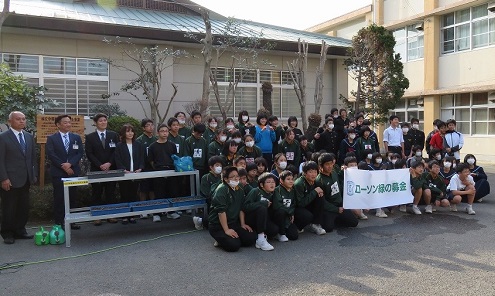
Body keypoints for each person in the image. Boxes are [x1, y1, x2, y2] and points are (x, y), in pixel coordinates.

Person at [0, 111, 37, 244]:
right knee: (9, 207)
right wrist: (3, 178)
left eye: (23, 119)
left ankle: (20, 230)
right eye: (18, 119)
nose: (22, 121)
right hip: (9, 179)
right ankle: (7, 233)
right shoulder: (3, 137)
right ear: (10, 121)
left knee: (23, 207)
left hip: (26, 178)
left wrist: (33, 175)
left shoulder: (28, 136)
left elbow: (32, 158)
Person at [46, 115, 84, 230]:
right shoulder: (52, 138)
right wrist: (64, 166)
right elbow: (51, 154)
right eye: (65, 122)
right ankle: (59, 222)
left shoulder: (76, 137)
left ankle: (72, 221)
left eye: (69, 122)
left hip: (73, 172)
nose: (68, 124)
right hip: (58, 173)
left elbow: (79, 153)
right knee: (59, 197)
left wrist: (70, 164)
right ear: (58, 124)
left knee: (72, 197)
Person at [208, 166, 257, 252]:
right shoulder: (222, 189)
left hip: (233, 222)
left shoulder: (240, 188)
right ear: (226, 179)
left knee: (251, 238)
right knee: (234, 246)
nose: (236, 178)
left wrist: (242, 224)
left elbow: (241, 207)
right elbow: (221, 212)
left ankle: (228, 238)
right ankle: (220, 239)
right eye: (232, 177)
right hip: (218, 225)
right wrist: (226, 230)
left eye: (237, 176)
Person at [85, 113, 119, 226]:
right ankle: (97, 216)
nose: (103, 122)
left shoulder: (113, 135)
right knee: (97, 192)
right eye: (100, 121)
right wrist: (100, 165)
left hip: (111, 168)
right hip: (97, 168)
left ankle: (111, 215)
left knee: (110, 192)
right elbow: (89, 154)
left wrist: (109, 163)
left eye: (105, 120)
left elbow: (116, 151)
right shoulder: (90, 137)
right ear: (95, 123)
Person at [316, 153, 358, 233]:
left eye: (331, 163)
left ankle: (337, 218)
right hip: (330, 208)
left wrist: (344, 171)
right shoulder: (319, 180)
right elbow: (322, 202)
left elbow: (339, 177)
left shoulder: (334, 172)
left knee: (354, 223)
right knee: (328, 228)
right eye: (327, 164)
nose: (330, 166)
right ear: (321, 166)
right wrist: (336, 209)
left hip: (340, 204)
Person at [148, 124, 180, 221]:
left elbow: (175, 158)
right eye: (162, 131)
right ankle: (157, 213)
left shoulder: (172, 145)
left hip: (171, 170)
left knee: (172, 191)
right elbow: (151, 161)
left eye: (166, 131)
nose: (165, 133)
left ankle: (171, 212)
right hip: (158, 171)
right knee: (159, 193)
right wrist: (158, 169)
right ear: (158, 133)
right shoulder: (152, 146)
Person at [115, 124, 145, 224]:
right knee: (124, 194)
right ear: (123, 133)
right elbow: (117, 159)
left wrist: (140, 168)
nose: (130, 133)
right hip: (124, 174)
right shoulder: (119, 145)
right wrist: (123, 169)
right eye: (128, 131)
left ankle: (132, 215)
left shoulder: (138, 144)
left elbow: (142, 158)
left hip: (136, 173)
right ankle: (124, 216)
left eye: (132, 131)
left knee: (133, 194)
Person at [243, 172, 279, 251]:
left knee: (274, 230)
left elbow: (276, 207)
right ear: (262, 185)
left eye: (273, 182)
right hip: (251, 218)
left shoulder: (273, 193)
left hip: (263, 219)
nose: (272, 184)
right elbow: (245, 207)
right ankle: (261, 238)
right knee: (262, 208)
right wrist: (262, 203)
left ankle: (260, 232)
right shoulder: (255, 191)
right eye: (268, 182)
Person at [293, 161, 326, 235]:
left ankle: (316, 224)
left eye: (315, 172)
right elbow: (300, 203)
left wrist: (317, 192)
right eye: (310, 172)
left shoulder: (316, 181)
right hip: (297, 208)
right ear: (304, 173)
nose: (313, 174)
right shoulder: (299, 183)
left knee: (320, 195)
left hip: (308, 204)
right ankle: (298, 226)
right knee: (308, 216)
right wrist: (314, 192)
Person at [192, 155, 224, 231]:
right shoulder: (206, 177)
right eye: (217, 165)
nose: (219, 167)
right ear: (211, 167)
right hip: (211, 201)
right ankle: (201, 221)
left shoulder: (223, 176)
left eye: (220, 165)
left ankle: (202, 221)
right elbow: (205, 193)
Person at [135, 119, 157, 212]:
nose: (151, 127)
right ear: (143, 128)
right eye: (148, 125)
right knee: (143, 189)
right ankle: (142, 210)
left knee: (153, 188)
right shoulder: (139, 140)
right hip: (143, 167)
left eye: (152, 125)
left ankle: (153, 208)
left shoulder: (156, 139)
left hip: (154, 167)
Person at [272, 170, 298, 241]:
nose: (291, 181)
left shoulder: (293, 190)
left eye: (292, 179)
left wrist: (292, 213)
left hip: (288, 216)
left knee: (294, 236)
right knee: (281, 212)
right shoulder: (277, 190)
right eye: (288, 179)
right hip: (279, 215)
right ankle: (280, 233)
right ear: (281, 180)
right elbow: (278, 205)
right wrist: (289, 212)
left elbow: (293, 203)